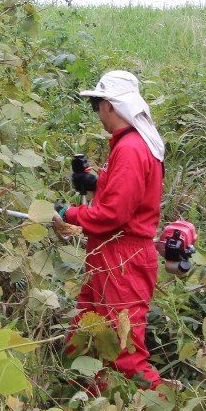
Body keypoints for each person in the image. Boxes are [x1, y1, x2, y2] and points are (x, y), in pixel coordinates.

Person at [52, 69, 165, 390]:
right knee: (85, 334)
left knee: (123, 351)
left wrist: (70, 214)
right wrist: (96, 182)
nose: (98, 113)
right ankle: (80, 403)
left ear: (110, 106)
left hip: (122, 260)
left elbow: (114, 213)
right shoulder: (133, 144)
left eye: (97, 105)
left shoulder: (130, 149)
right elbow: (127, 191)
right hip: (109, 257)